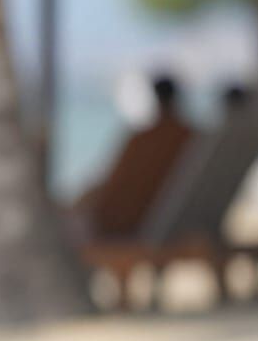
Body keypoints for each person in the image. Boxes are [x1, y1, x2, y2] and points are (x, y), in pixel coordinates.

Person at [68, 72, 197, 240]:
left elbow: (117, 182)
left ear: (155, 97)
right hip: (155, 217)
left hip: (122, 223)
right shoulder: (190, 138)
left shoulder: (146, 140)